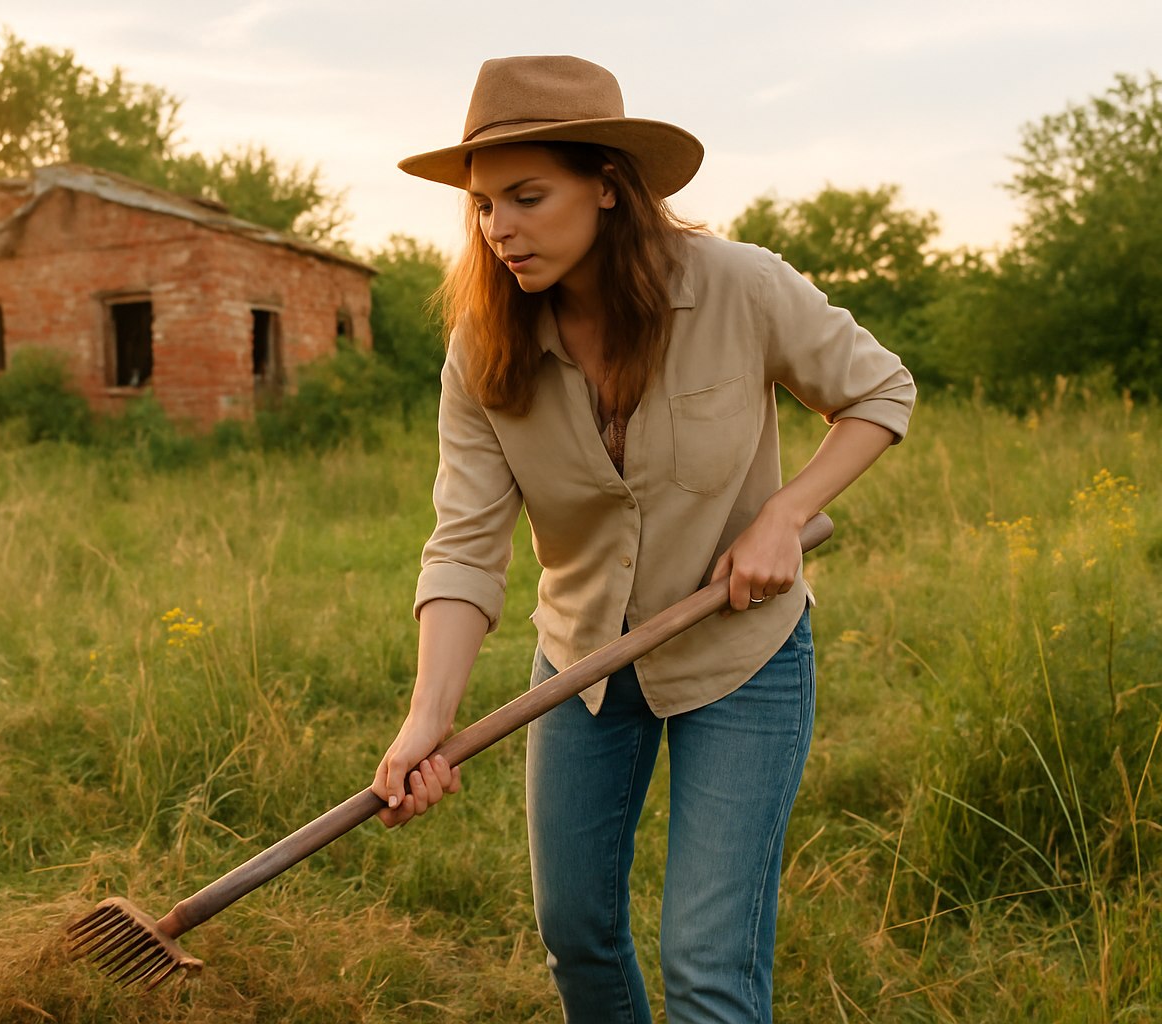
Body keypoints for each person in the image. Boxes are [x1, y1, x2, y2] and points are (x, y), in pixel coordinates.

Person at [369, 55, 916, 1023]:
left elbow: (879, 390)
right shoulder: (483, 347)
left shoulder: (738, 286)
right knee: (575, 933)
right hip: (580, 663)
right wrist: (427, 717)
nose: (500, 229)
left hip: (740, 657)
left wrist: (782, 514)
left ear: (609, 187)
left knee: (706, 967)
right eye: (486, 205)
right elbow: (463, 546)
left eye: (528, 197)